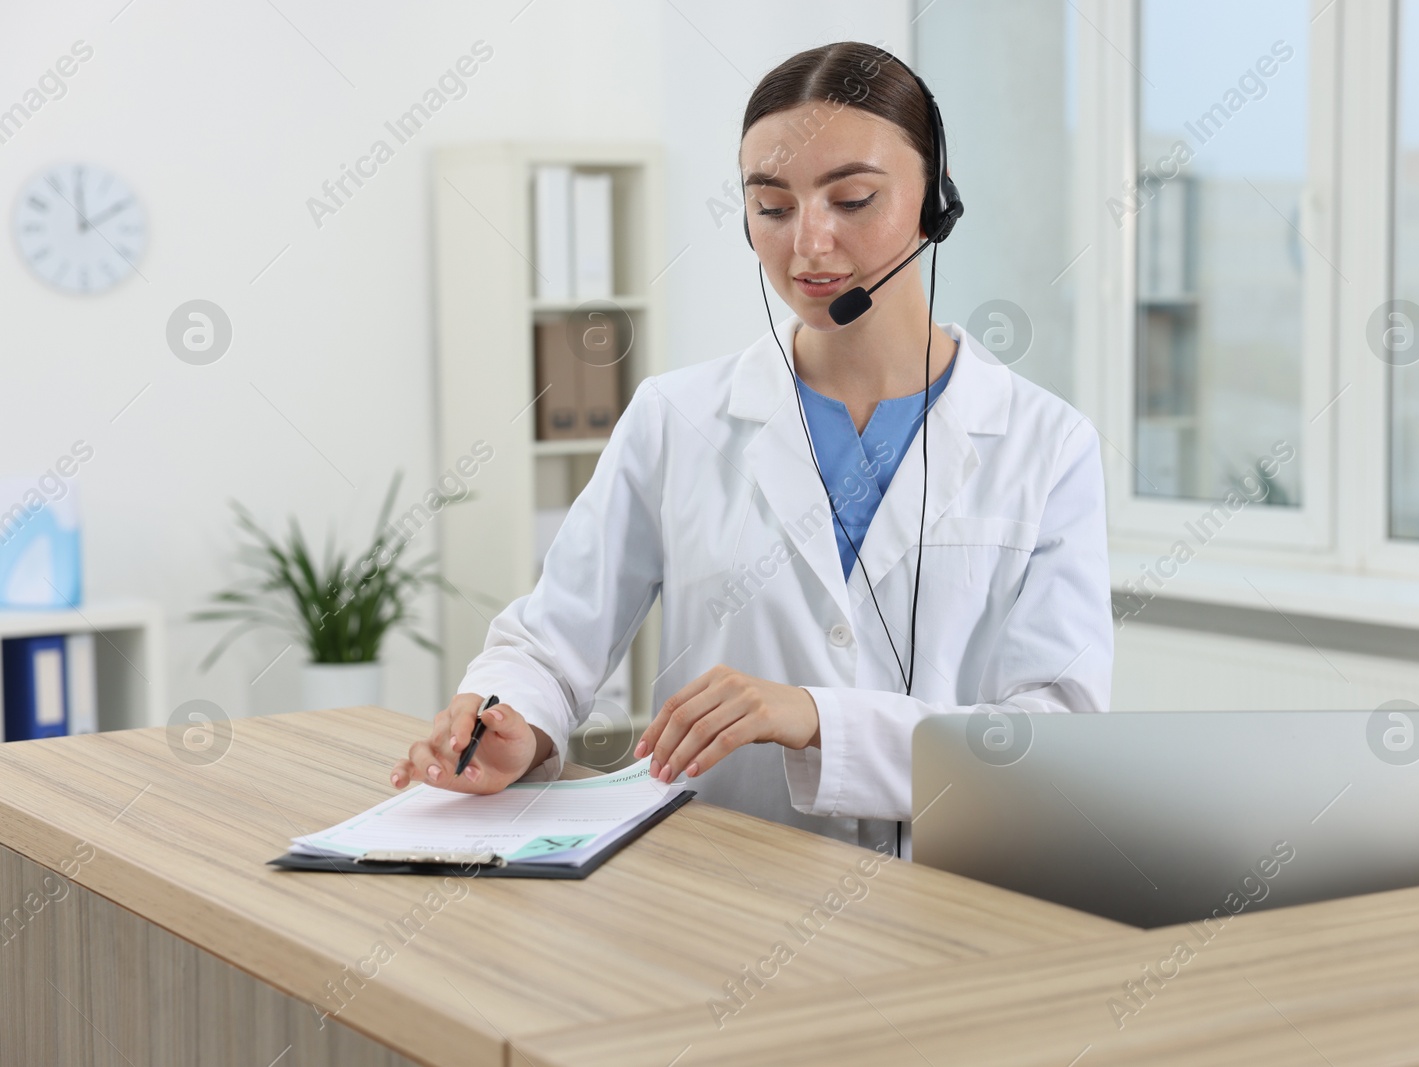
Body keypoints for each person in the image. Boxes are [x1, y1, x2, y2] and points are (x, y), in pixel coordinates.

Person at [390, 41, 1111, 856]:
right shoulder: (676, 417)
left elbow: (1054, 744)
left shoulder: (1047, 445)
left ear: (932, 204)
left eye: (853, 199)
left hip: (949, 907)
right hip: (720, 899)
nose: (809, 245)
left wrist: (813, 717)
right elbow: (550, 643)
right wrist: (513, 719)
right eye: (772, 208)